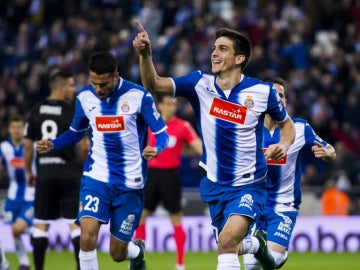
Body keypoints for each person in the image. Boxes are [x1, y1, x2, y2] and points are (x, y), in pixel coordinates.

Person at [133, 20, 296, 270]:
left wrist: (283, 145)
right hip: (215, 185)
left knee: (227, 242)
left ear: (239, 58)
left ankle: (253, 245)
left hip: (249, 184)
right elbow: (153, 83)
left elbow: (287, 125)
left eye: (222, 48)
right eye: (213, 48)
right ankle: (256, 246)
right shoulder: (199, 83)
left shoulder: (263, 92)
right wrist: (146, 55)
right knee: (228, 245)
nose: (214, 53)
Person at [36, 51, 169, 270]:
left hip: (130, 184)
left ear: (116, 75)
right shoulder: (84, 97)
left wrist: (156, 148)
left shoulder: (139, 96)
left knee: (117, 253)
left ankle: (136, 251)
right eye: (94, 83)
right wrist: (53, 143)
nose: (98, 88)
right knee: (87, 236)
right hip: (96, 178)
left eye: (103, 83)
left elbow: (163, 133)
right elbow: (75, 132)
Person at [242, 77, 336, 270]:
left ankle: (278, 255)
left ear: (285, 102)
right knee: (252, 267)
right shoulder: (248, 129)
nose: (278, 99)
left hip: (284, 206)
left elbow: (331, 151)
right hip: (254, 204)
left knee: (273, 259)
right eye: (273, 95)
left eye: (282, 96)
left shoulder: (300, 128)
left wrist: (327, 154)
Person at [24, 69, 88, 270]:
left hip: (45, 174)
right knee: (75, 224)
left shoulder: (36, 110)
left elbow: (28, 146)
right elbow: (83, 146)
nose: (74, 88)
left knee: (41, 224)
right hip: (70, 174)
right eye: (70, 85)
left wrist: (29, 171)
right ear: (61, 88)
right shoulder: (72, 111)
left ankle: (39, 268)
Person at [134, 95, 202, 270]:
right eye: (169, 104)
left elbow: (199, 147)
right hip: (150, 175)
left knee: (176, 220)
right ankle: (138, 259)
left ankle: (180, 263)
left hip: (170, 176)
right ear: (159, 106)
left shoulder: (183, 126)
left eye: (174, 104)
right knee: (141, 218)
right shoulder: (150, 124)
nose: (172, 107)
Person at [1, 115, 35, 270]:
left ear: (24, 129)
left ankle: (39, 232)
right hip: (12, 195)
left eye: (19, 127)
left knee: (17, 228)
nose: (16, 130)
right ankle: (24, 264)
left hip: (31, 195)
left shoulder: (33, 146)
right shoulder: (4, 147)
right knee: (13, 231)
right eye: (13, 127)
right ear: (9, 130)